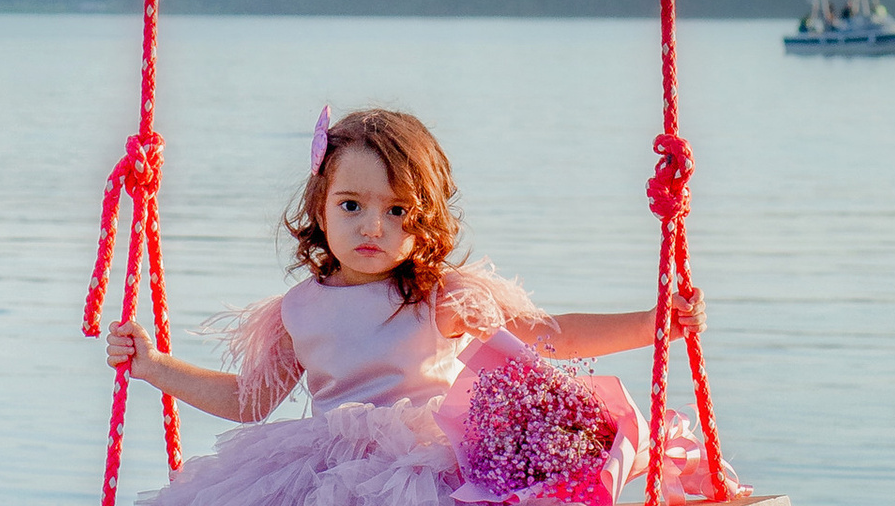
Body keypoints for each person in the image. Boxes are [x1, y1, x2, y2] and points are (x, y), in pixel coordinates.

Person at [104, 105, 716, 506]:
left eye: (397, 211)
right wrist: (153, 365)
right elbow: (248, 401)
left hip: (427, 466)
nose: (373, 226)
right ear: (320, 207)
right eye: (352, 205)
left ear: (424, 223)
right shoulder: (299, 307)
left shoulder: (437, 295)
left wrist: (655, 325)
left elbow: (545, 336)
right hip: (320, 473)